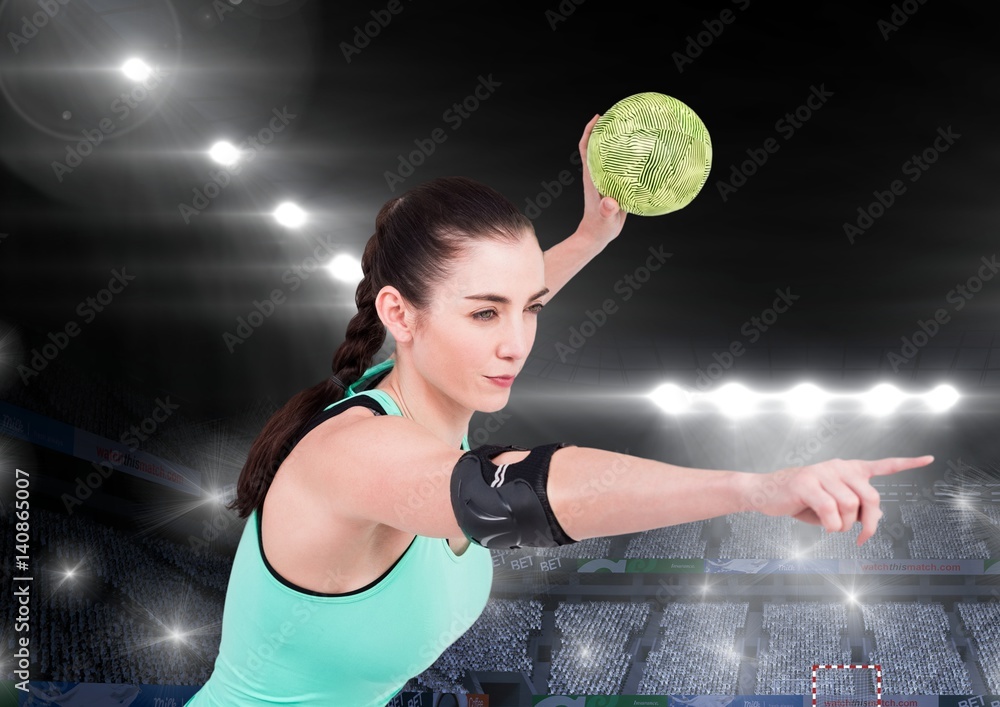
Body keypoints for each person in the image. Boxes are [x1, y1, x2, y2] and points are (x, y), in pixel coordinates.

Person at [183, 116, 934, 706]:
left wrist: (590, 235)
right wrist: (756, 489)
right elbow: (515, 495)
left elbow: (506, 289)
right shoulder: (352, 454)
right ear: (399, 313)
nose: (515, 344)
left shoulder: (409, 384)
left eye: (530, 309)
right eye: (484, 316)